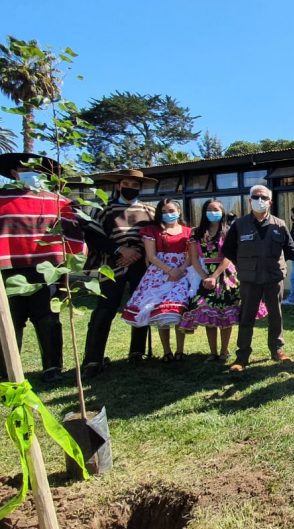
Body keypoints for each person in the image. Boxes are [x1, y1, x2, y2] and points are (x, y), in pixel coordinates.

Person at [0, 153, 85, 382]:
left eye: (37, 169)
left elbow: (74, 233)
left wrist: (71, 262)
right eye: (25, 168)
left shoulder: (57, 201)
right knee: (9, 321)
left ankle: (52, 367)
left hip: (47, 269)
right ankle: (7, 370)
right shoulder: (1, 199)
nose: (31, 172)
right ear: (13, 172)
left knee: (48, 319)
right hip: (8, 270)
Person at [81, 168, 157, 378]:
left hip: (139, 266)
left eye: (135, 186)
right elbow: (94, 236)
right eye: (127, 184)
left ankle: (137, 351)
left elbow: (154, 237)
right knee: (104, 310)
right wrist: (119, 250)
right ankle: (93, 359)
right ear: (118, 185)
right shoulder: (104, 210)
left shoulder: (149, 212)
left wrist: (136, 252)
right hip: (111, 266)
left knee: (141, 307)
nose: (130, 189)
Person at [179, 199, 267, 362]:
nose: (213, 212)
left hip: (227, 275)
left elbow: (228, 256)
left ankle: (224, 351)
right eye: (210, 209)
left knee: (227, 315)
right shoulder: (195, 233)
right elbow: (194, 258)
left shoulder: (229, 231)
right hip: (205, 274)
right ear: (204, 212)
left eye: (217, 209)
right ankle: (213, 352)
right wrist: (206, 277)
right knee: (208, 314)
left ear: (222, 212)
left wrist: (215, 276)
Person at [223, 184, 294, 373]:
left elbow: (290, 249)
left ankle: (277, 350)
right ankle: (242, 356)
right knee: (246, 316)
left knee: (276, 315)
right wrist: (244, 264)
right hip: (249, 278)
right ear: (249, 201)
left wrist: (274, 263)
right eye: (256, 197)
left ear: (270, 202)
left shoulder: (279, 224)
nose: (260, 200)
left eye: (264, 197)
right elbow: (228, 250)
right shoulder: (239, 225)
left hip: (273, 277)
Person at [122, 198, 194, 361]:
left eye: (171, 211)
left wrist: (180, 270)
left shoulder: (189, 232)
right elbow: (151, 256)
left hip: (182, 273)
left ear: (179, 211)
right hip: (159, 273)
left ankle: (180, 350)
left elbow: (191, 255)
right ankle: (167, 351)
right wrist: (169, 270)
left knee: (178, 311)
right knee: (161, 312)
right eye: (164, 212)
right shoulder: (152, 230)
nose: (168, 214)